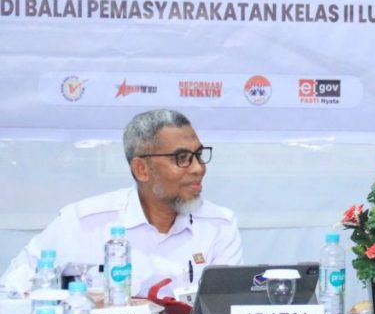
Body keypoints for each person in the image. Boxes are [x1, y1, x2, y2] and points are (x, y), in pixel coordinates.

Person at [1, 109, 241, 298]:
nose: (199, 168)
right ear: (141, 169)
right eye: (182, 158)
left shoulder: (219, 225)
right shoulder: (84, 223)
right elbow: (10, 291)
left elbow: (228, 310)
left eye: (199, 155)